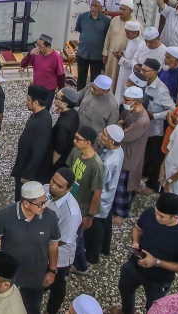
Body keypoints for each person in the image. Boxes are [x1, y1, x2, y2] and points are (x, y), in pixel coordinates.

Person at [111, 193, 178, 314]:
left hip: (158, 279)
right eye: (156, 213)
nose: (157, 217)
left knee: (154, 307)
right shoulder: (150, 214)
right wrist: (135, 242)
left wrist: (156, 262)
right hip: (135, 266)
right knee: (125, 289)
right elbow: (137, 228)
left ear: (175, 217)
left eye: (162, 216)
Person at [0, 181, 61, 314]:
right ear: (26, 204)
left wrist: (52, 271)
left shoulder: (50, 217)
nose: (44, 206)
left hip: (35, 278)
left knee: (32, 308)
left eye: (45, 201)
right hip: (8, 277)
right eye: (40, 204)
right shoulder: (4, 216)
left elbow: (53, 244)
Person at [85, 125, 125, 267]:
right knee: (105, 222)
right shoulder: (117, 151)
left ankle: (92, 256)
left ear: (112, 141)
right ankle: (104, 248)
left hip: (102, 197)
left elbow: (99, 182)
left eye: (104, 135)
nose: (101, 135)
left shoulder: (109, 161)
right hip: (108, 195)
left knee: (96, 228)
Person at [65, 126, 103, 275]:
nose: (74, 141)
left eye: (78, 139)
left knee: (76, 238)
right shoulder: (76, 151)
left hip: (82, 209)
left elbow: (97, 192)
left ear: (88, 142)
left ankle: (81, 266)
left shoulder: (96, 165)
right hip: (71, 200)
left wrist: (90, 216)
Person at [46, 169, 81, 314]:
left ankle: (52, 310)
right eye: (53, 181)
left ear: (68, 189)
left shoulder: (72, 213)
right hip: (44, 244)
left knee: (57, 283)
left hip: (60, 254)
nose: (53, 186)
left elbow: (61, 241)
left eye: (59, 186)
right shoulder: (45, 191)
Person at [139, 59, 176, 194]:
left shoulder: (161, 90)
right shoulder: (143, 83)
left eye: (145, 71)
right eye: (141, 69)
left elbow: (172, 109)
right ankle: (145, 172)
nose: (142, 73)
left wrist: (154, 115)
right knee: (146, 153)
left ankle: (152, 185)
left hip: (155, 130)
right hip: (143, 126)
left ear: (155, 72)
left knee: (155, 157)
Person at [113, 87, 150, 223]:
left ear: (137, 101)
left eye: (127, 100)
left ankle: (121, 214)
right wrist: (121, 123)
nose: (124, 102)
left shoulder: (142, 120)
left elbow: (123, 136)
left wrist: (120, 127)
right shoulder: (130, 111)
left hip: (131, 156)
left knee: (124, 187)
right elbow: (121, 118)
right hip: (124, 152)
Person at [12, 86, 54, 200]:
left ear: (36, 102)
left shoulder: (43, 122)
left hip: (30, 173)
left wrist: (28, 174)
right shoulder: (37, 116)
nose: (26, 103)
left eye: (28, 100)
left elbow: (39, 151)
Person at [75, 0, 111, 89]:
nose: (93, 8)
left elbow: (107, 36)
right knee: (81, 77)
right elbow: (79, 29)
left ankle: (92, 97)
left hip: (97, 55)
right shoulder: (82, 17)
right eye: (92, 5)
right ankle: (79, 97)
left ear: (101, 7)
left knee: (95, 79)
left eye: (96, 6)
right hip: (83, 53)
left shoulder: (106, 21)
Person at [103, 0, 138, 82]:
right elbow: (108, 37)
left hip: (126, 58)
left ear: (131, 11)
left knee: (120, 80)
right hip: (112, 56)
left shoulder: (136, 25)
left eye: (124, 9)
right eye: (120, 9)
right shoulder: (114, 20)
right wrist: (105, 53)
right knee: (109, 77)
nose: (121, 11)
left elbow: (140, 44)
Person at [77, 75, 119, 145]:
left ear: (105, 91)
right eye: (92, 87)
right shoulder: (90, 87)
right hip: (78, 130)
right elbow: (78, 96)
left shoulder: (112, 106)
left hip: (91, 142)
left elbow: (111, 128)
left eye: (96, 90)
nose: (92, 90)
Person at [111, 21, 144, 103]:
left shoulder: (140, 44)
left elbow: (135, 64)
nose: (126, 35)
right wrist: (123, 52)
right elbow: (129, 53)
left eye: (128, 33)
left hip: (129, 73)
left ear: (135, 32)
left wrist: (121, 59)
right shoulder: (131, 39)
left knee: (124, 91)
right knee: (119, 90)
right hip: (123, 70)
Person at [52, 88, 81, 170]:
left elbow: (59, 149)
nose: (55, 99)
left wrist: (52, 163)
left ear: (65, 103)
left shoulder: (63, 125)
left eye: (57, 98)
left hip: (61, 161)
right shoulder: (73, 113)